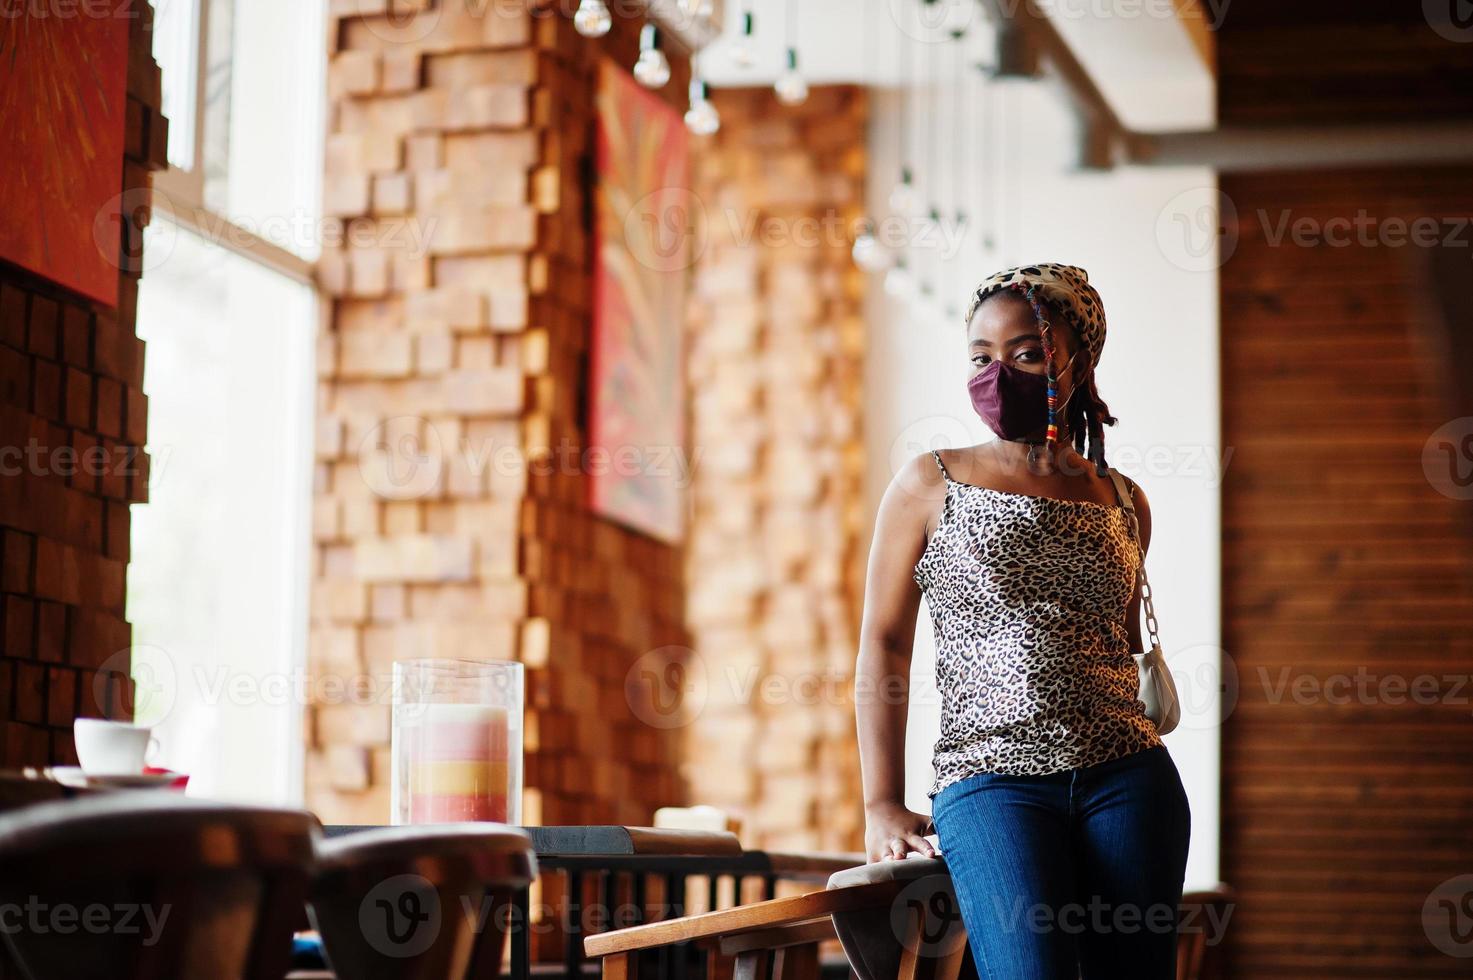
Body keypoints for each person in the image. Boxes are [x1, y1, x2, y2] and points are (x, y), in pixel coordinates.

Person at [855, 263, 1191, 979]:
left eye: (1026, 353)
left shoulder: (1123, 498)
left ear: (1077, 361)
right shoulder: (927, 481)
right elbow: (884, 645)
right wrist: (880, 801)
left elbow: (1118, 647)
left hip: (1128, 778)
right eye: (980, 356)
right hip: (990, 779)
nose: (997, 372)